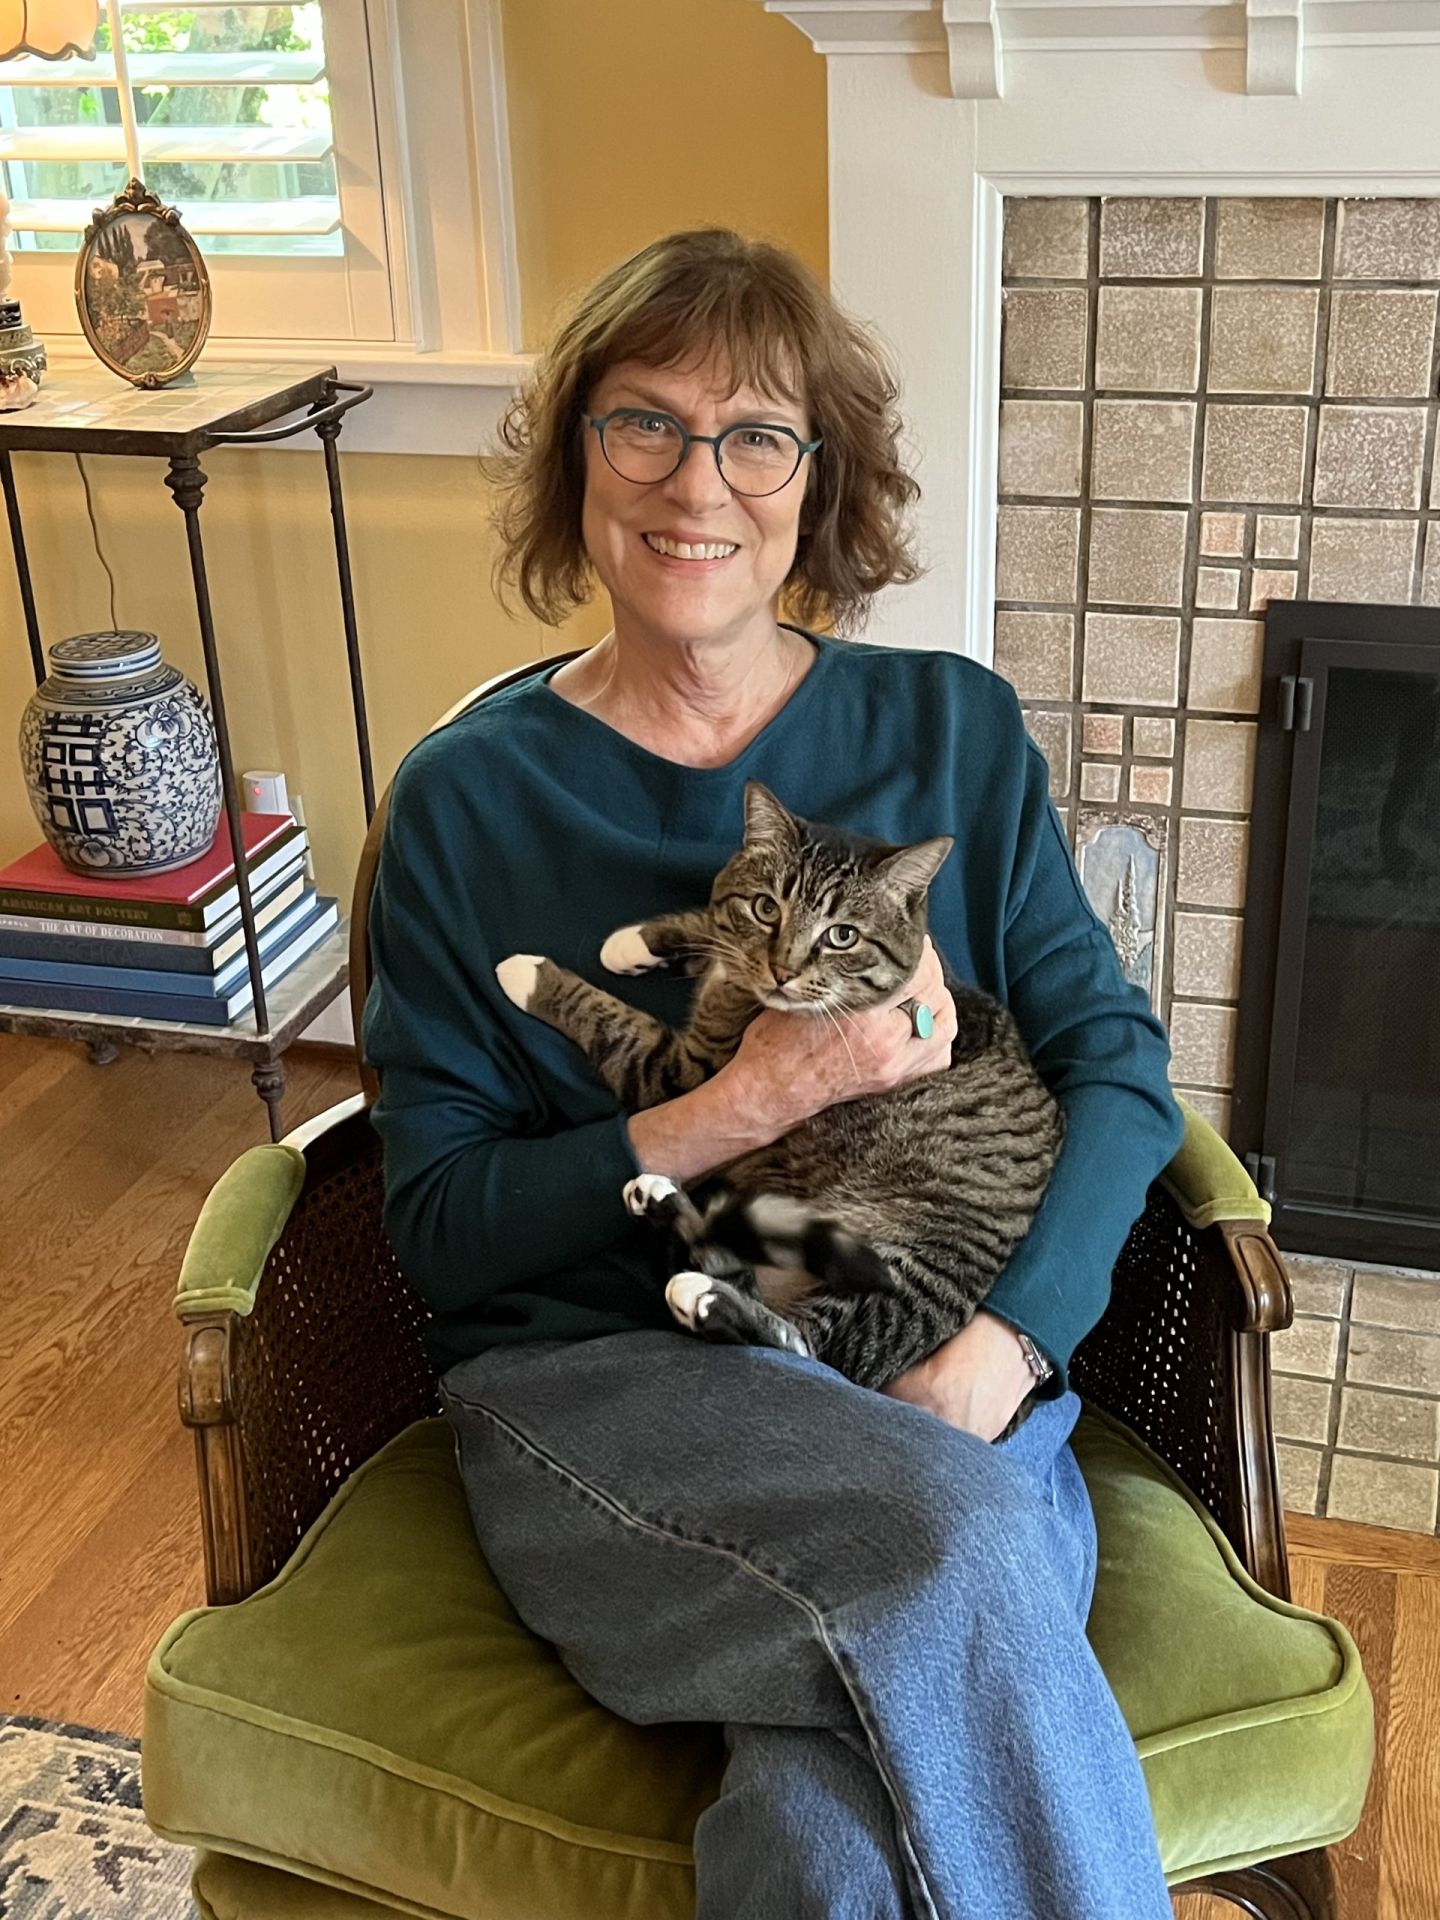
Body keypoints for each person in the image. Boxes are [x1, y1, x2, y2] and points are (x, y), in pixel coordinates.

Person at [362, 227, 1185, 1920]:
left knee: (827, 1847)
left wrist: (1002, 1349)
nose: (697, 485)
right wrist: (739, 1102)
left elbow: (1119, 1073)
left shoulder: (948, 733)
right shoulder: (464, 800)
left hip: (935, 1348)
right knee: (954, 1554)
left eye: (757, 436)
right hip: (608, 1382)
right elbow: (438, 1229)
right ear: (577, 459)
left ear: (820, 483)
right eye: (642, 424)